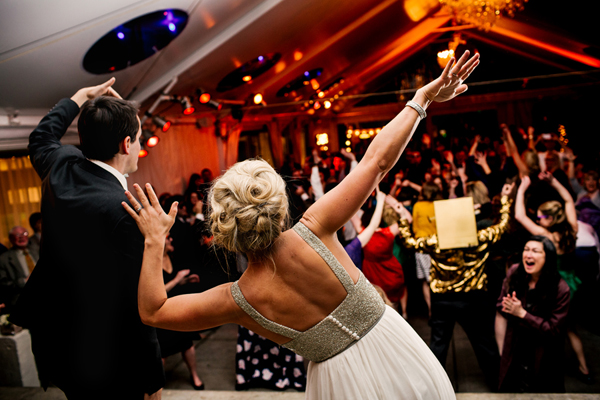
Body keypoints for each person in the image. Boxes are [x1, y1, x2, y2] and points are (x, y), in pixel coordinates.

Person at [124, 50, 480, 399]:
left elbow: (153, 311)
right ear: (280, 209)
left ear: (224, 233)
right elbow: (377, 161)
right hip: (397, 352)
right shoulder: (316, 225)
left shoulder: (237, 300)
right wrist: (422, 99)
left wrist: (154, 239)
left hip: (337, 384)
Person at [9, 79, 164, 400]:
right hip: (107, 362)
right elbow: (138, 310)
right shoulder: (128, 211)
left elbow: (41, 136)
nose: (139, 145)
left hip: (58, 341)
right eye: (137, 138)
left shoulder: (61, 165)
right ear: (125, 144)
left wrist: (81, 97)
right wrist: (153, 382)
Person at [397, 182, 515, 389]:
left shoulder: (436, 241)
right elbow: (503, 226)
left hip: (442, 300)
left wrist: (402, 219)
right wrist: (504, 199)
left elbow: (410, 242)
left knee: (438, 345)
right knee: (484, 344)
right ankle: (499, 385)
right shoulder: (479, 238)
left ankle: (431, 388)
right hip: (474, 299)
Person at [515, 172, 591, 382]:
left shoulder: (547, 237)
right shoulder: (572, 229)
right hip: (573, 284)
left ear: (550, 218)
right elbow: (568, 199)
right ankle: (584, 368)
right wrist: (554, 182)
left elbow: (520, 216)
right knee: (570, 328)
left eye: (540, 217)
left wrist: (522, 189)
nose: (537, 220)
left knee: (551, 327)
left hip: (555, 286)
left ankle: (545, 369)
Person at [495, 236, 570, 392]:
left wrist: (522, 313)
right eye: (526, 250)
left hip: (544, 357)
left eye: (535, 251)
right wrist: (504, 352)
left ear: (547, 257)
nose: (528, 255)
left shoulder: (560, 288)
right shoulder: (514, 273)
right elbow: (501, 312)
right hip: (515, 350)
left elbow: (554, 329)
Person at [156, 235, 204, 390]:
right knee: (162, 353)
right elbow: (156, 293)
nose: (171, 240)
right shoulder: (154, 264)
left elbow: (173, 283)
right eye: (168, 237)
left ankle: (195, 376)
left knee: (187, 345)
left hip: (176, 310)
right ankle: (157, 385)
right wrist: (177, 279)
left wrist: (186, 280)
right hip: (162, 314)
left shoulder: (171, 258)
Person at [0, 226, 38, 312]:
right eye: (17, 234)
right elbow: (3, 284)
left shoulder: (37, 251)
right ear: (11, 238)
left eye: (24, 234)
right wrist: (24, 281)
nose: (21, 237)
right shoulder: (3, 259)